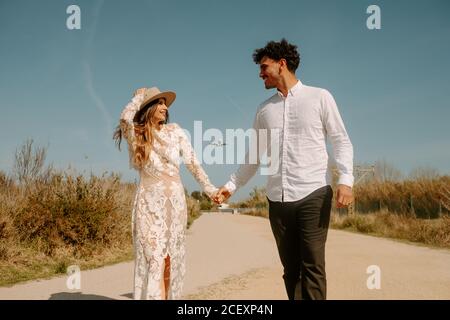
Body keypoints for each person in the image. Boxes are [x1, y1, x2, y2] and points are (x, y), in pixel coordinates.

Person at [213, 39, 354, 300]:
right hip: (277, 199)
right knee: (291, 270)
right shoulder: (265, 109)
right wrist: (231, 185)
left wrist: (345, 179)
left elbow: (340, 139)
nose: (260, 73)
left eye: (264, 67)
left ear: (282, 64)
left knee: (312, 266)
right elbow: (254, 155)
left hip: (313, 193)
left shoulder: (320, 97)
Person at [114, 87, 217, 300]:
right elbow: (125, 119)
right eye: (159, 103)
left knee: (169, 262)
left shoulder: (176, 131)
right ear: (148, 108)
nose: (164, 107)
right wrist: (137, 97)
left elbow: (193, 163)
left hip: (174, 204)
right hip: (148, 204)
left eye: (164, 103)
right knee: (154, 259)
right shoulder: (137, 134)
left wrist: (210, 190)